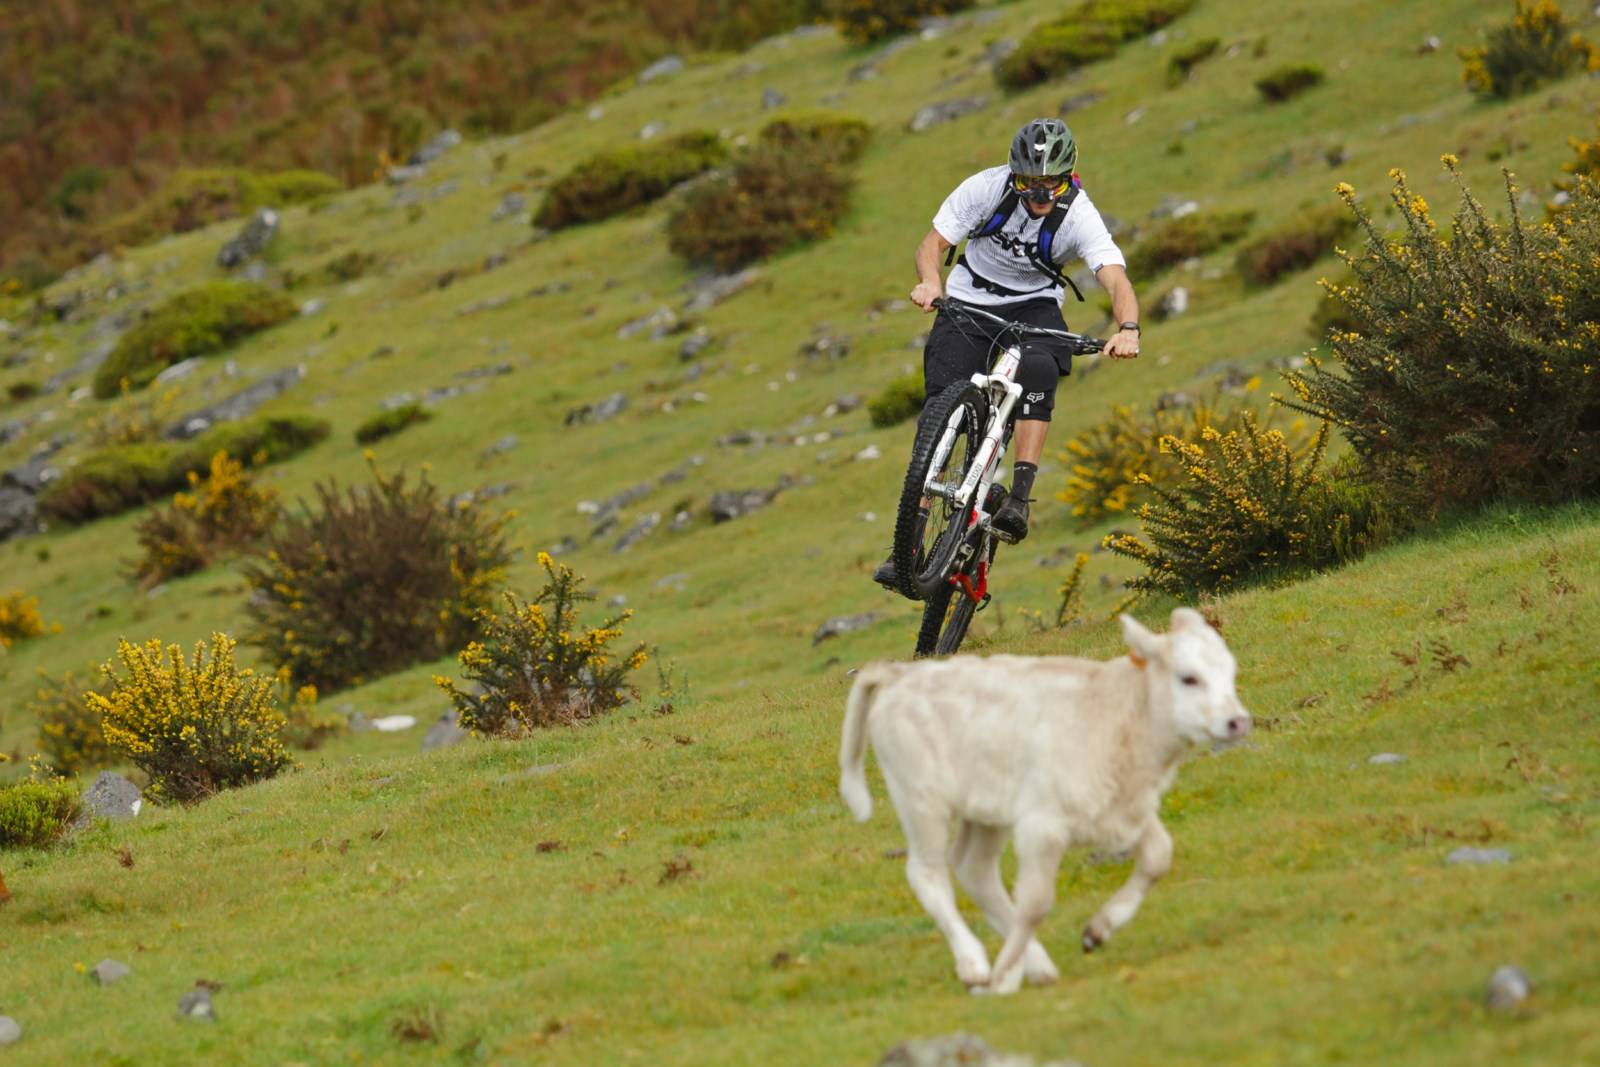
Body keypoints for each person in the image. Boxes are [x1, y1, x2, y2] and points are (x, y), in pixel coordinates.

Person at [874, 117, 1140, 593]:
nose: (1039, 195)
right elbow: (934, 243)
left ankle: (1018, 497)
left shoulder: (1078, 215)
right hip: (970, 297)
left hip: (1034, 304)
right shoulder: (986, 188)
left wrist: (1128, 328)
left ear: (1069, 176)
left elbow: (1115, 277)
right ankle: (907, 546)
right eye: (1029, 184)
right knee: (938, 407)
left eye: (1051, 184)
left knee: (1039, 367)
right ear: (1014, 175)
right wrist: (931, 282)